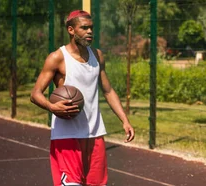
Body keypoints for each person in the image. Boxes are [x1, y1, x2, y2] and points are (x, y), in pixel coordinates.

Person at [30, 10, 135, 186]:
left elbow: (108, 91)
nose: (90, 32)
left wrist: (124, 120)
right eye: (84, 28)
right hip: (67, 135)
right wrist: (51, 107)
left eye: (91, 28)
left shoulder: (97, 55)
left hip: (94, 133)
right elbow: (35, 94)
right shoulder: (57, 58)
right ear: (71, 30)